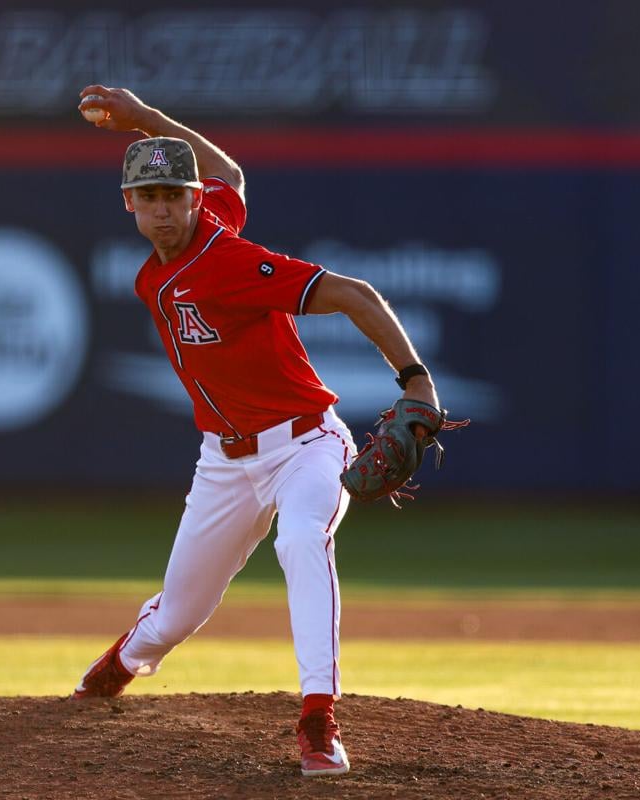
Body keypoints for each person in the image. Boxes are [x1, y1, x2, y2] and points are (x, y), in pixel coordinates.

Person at [71, 86, 449, 777]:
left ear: (191, 201)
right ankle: (119, 664)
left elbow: (355, 295)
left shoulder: (229, 260)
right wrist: (148, 119)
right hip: (222, 461)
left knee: (302, 539)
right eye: (149, 196)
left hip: (306, 444)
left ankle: (317, 718)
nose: (163, 208)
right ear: (128, 202)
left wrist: (416, 381)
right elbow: (232, 177)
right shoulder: (174, 252)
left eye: (174, 196)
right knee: (174, 617)